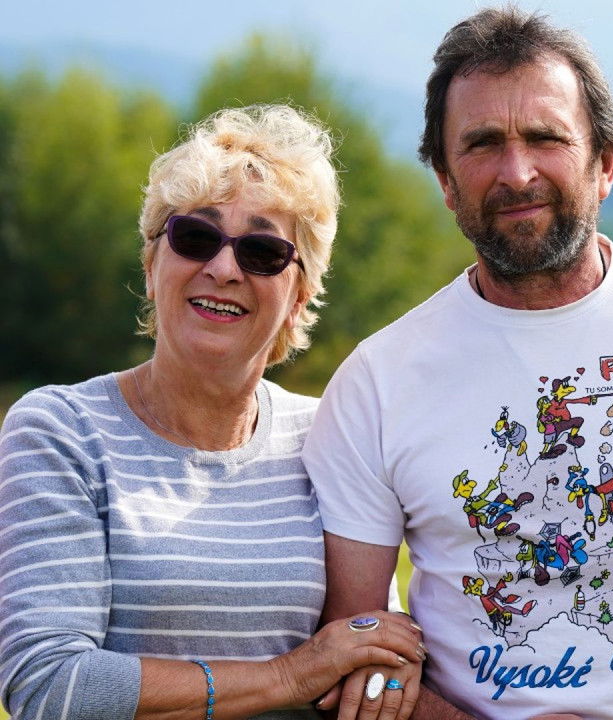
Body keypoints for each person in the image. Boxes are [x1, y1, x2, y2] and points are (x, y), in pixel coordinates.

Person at [303, 7, 613, 719]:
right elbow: (351, 655)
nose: (517, 174)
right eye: (482, 144)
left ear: (605, 163)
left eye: (546, 137)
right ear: (445, 180)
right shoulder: (377, 382)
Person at [0, 105, 425, 720]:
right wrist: (290, 674)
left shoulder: (334, 435)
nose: (223, 269)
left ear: (300, 296)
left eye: (262, 251)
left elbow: (371, 644)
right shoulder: (60, 430)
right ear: (152, 266)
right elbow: (49, 686)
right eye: (195, 238)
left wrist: (388, 663)